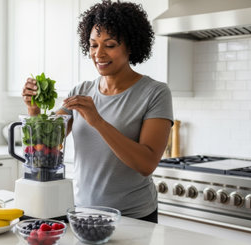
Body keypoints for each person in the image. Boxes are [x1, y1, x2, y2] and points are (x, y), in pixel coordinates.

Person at [21, 0, 173, 223]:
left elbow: (146, 164)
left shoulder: (155, 93)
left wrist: (98, 121)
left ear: (130, 46)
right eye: (93, 45)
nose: (98, 54)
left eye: (109, 45)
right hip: (81, 211)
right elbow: (47, 146)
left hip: (133, 216)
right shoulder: (81, 91)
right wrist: (33, 110)